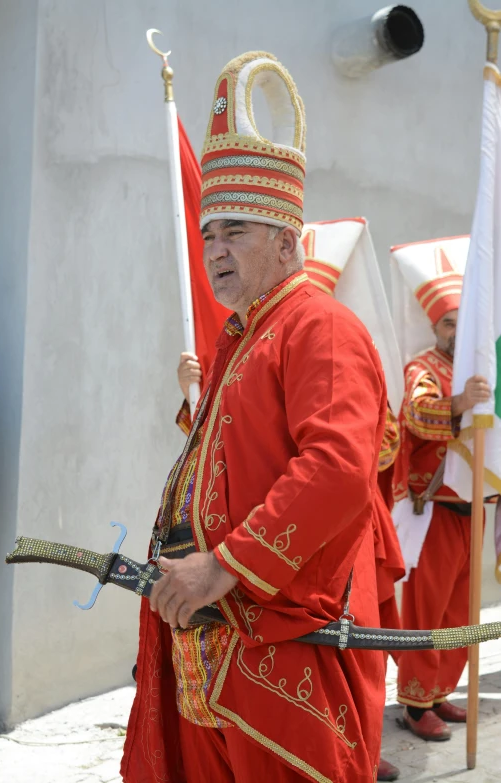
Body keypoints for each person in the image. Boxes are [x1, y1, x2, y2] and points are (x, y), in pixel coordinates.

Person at [121, 52, 388, 783]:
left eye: (233, 231)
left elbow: (336, 470)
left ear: (286, 241)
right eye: (208, 236)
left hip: (278, 661)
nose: (214, 251)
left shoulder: (320, 327)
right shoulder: (242, 338)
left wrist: (222, 565)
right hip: (214, 654)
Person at [301, 220, 405, 782]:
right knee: (312, 657)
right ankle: (335, 757)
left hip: (350, 531)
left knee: (359, 650)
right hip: (291, 541)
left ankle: (360, 753)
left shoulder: (344, 345)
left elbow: (384, 444)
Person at [391, 238, 491, 741]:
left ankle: (439, 691)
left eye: (461, 320)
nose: (455, 330)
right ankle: (413, 704)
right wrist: (459, 401)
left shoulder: (483, 369)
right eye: (447, 322)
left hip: (475, 506)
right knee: (425, 615)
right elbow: (417, 415)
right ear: (435, 327)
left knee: (459, 611)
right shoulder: (423, 368)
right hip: (433, 508)